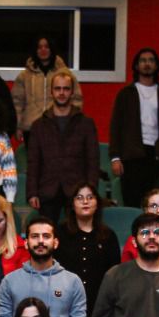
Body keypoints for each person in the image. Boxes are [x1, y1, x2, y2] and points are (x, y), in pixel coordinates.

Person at [26, 70, 99, 224]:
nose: (61, 93)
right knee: (47, 233)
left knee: (77, 234)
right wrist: (32, 192)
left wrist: (91, 192)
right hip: (47, 190)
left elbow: (93, 161)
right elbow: (33, 162)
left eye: (66, 89)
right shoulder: (38, 126)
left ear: (72, 92)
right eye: (57, 89)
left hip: (77, 190)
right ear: (51, 92)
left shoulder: (86, 124)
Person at [110, 48, 159, 207]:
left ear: (157, 65)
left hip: (158, 155)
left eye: (151, 60)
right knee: (132, 202)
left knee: (156, 202)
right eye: (143, 60)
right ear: (136, 66)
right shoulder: (126, 94)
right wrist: (115, 158)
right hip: (132, 156)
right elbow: (116, 126)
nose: (147, 64)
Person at [55, 184, 121, 306]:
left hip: (100, 301)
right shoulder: (60, 233)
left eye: (90, 197)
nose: (85, 201)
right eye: (79, 198)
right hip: (65, 300)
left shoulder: (108, 235)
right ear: (72, 204)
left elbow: (115, 273)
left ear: (97, 204)